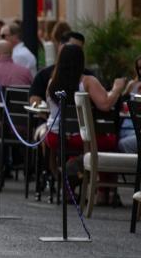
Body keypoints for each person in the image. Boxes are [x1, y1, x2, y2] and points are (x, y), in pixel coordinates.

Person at [44, 44, 125, 181]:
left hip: (55, 137)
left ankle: (73, 171)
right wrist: (117, 88)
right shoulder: (87, 81)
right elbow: (105, 104)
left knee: (96, 143)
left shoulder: (52, 82)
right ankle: (103, 191)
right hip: (82, 139)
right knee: (110, 143)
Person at [29, 32, 91, 106]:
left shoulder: (88, 76)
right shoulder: (44, 75)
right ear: (60, 46)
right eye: (71, 47)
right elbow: (35, 100)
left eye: (79, 50)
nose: (75, 52)